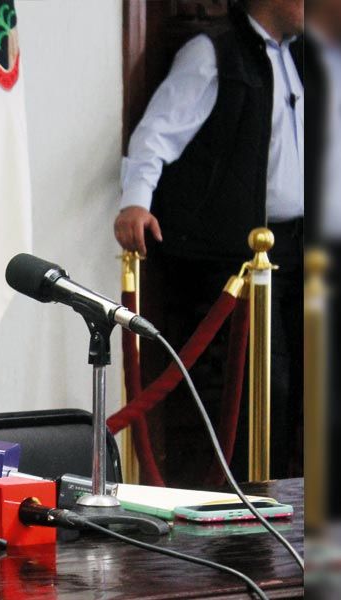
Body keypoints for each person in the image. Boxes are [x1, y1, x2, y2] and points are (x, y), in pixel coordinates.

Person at [113, 0, 304, 484]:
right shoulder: (213, 52)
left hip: (297, 249)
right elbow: (157, 133)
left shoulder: (301, 57)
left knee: (299, 391)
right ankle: (246, 504)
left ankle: (287, 504)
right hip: (233, 258)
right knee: (258, 391)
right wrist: (136, 201)